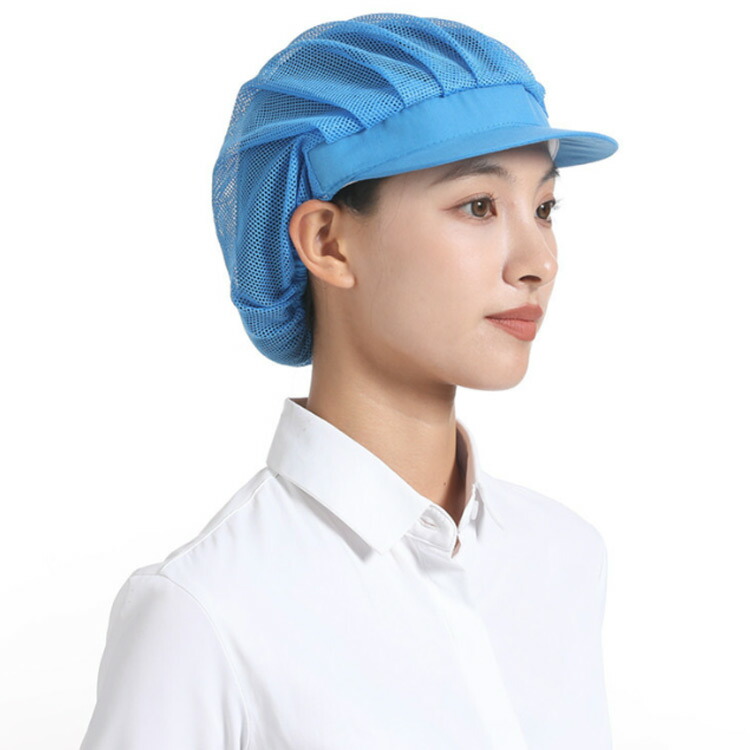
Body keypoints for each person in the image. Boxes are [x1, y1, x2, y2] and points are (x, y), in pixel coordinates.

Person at [79, 12, 618, 750]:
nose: (539, 262)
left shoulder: (563, 555)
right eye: (478, 206)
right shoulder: (206, 611)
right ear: (327, 242)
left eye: (545, 208)